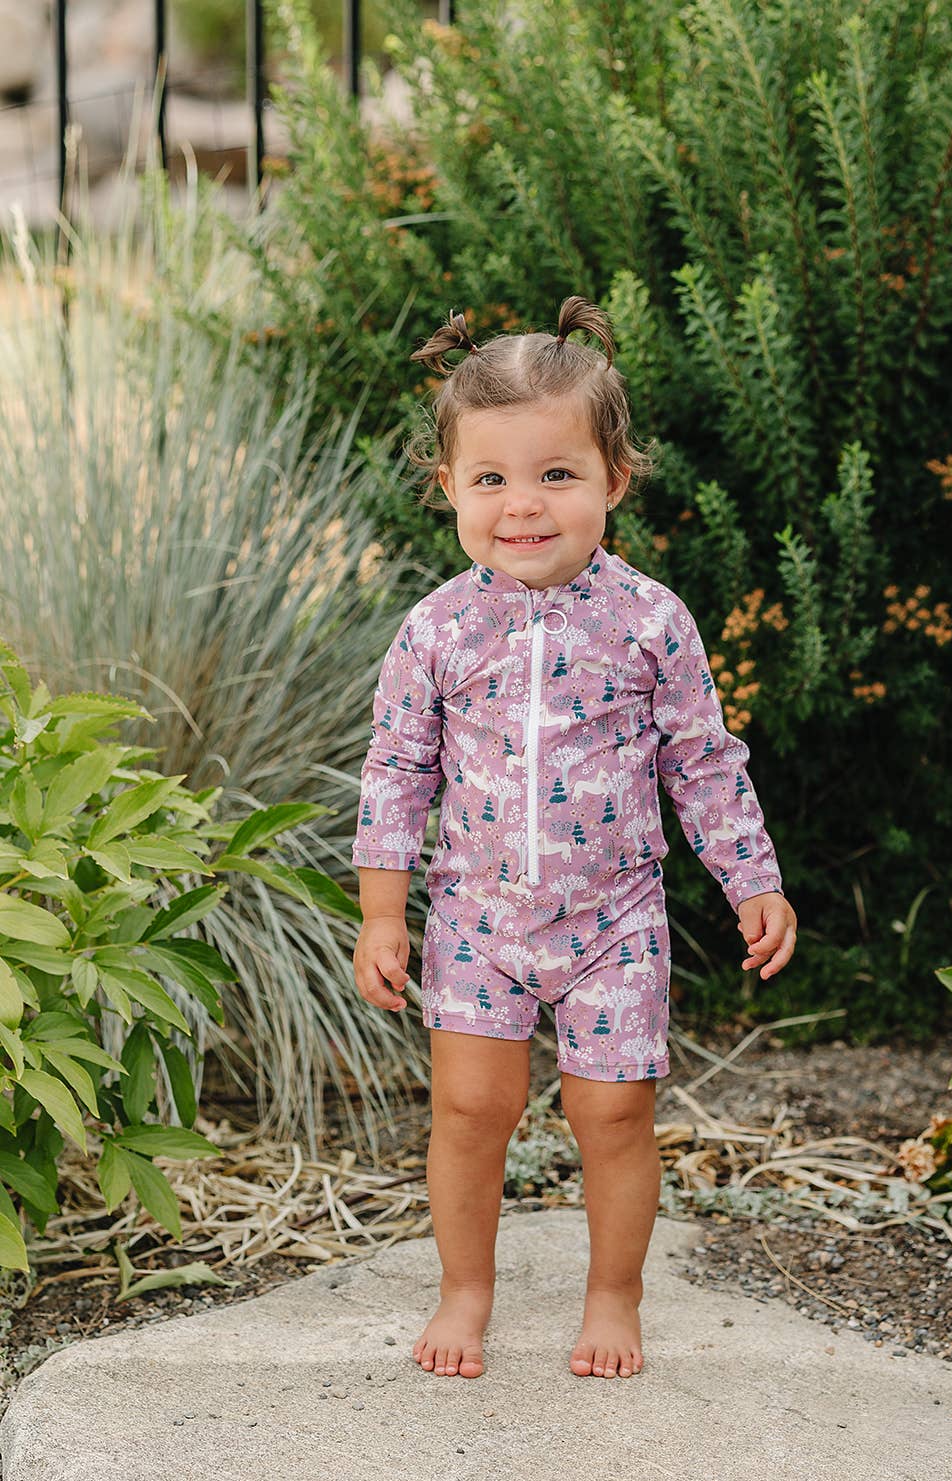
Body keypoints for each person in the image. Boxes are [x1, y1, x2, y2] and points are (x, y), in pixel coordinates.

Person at [351, 294, 798, 1383]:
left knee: (611, 1110)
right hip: (474, 916)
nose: (522, 506)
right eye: (490, 479)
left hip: (613, 922)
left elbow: (700, 758)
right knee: (469, 1107)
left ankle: (612, 1294)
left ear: (614, 480)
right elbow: (397, 773)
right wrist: (380, 912)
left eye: (556, 474)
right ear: (447, 488)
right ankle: (465, 1290)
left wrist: (751, 878)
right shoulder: (437, 630)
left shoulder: (650, 620)